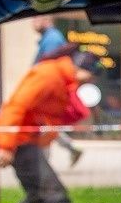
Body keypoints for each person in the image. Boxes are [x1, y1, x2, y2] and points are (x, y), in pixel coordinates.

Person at [0, 49, 99, 203]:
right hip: (20, 141)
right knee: (56, 199)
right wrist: (6, 146)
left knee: (38, 198)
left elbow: (61, 115)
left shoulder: (64, 80)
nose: (91, 81)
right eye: (91, 77)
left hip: (27, 141)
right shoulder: (48, 75)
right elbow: (16, 106)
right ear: (83, 71)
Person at [31, 15, 86, 168]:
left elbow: (48, 70)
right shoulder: (49, 38)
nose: (33, 23)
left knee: (45, 125)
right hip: (49, 91)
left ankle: (44, 166)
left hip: (48, 92)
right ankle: (69, 149)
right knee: (48, 124)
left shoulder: (52, 39)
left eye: (36, 19)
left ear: (47, 20)